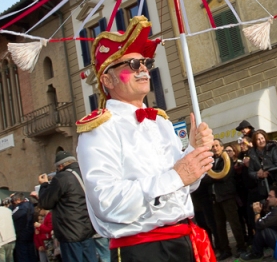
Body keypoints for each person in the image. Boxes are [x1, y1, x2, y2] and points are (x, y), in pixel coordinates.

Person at [75, 17, 215, 262]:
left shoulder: (160, 121)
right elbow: (106, 203)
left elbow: (184, 187)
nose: (143, 69)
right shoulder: (99, 129)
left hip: (184, 241)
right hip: (142, 250)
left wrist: (194, 152)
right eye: (132, 64)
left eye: (145, 63)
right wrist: (176, 176)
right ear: (107, 80)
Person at [38, 151, 96, 262]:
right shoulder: (84, 172)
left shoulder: (62, 177)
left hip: (69, 231)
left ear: (60, 166)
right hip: (87, 228)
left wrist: (44, 185)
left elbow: (45, 203)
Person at [202, 139, 246, 260]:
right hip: (215, 197)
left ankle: (241, 247)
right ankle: (225, 249)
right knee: (219, 226)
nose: (215, 148)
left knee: (234, 223)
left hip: (227, 196)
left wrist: (211, 176)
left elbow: (224, 176)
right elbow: (206, 178)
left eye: (217, 145)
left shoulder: (226, 159)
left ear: (222, 147)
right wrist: (213, 176)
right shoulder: (211, 161)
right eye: (213, 146)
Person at [11, 193, 37, 262]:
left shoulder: (20, 207)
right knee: (31, 253)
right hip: (30, 231)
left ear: (18, 199)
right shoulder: (30, 205)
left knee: (23, 254)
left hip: (21, 233)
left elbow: (12, 216)